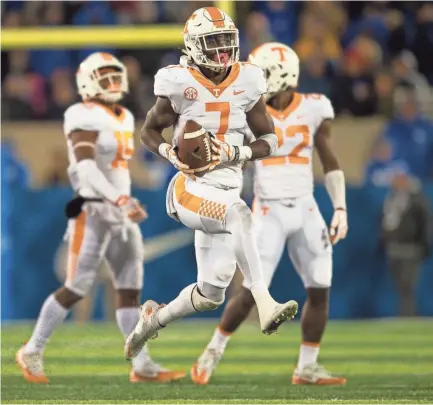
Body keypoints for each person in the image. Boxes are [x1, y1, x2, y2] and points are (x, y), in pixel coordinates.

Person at [124, 7, 298, 361]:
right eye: (212, 42)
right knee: (239, 215)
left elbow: (271, 138)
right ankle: (264, 303)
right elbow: (148, 131)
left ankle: (152, 319)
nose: (221, 50)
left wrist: (238, 152)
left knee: (210, 294)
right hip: (189, 188)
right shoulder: (177, 81)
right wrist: (167, 152)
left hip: (226, 187)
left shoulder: (248, 79)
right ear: (193, 45)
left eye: (225, 41)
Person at [16, 52, 184, 384]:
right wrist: (120, 198)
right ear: (88, 81)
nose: (114, 82)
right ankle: (32, 349)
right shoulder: (83, 113)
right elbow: (85, 166)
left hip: (120, 212)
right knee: (76, 287)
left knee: (128, 291)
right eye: (105, 76)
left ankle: (142, 364)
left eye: (115, 75)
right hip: (93, 210)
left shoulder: (122, 116)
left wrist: (125, 199)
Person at [192, 43, 348, 385]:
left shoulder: (315, 108)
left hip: (306, 208)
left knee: (320, 289)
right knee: (249, 293)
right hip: (267, 211)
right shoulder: (246, 111)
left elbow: (330, 161)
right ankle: (212, 352)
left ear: (282, 75)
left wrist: (340, 207)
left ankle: (306, 366)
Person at [381, 172, 432, 316]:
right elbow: (386, 222)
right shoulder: (390, 199)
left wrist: (424, 245)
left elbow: (425, 223)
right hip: (394, 248)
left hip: (411, 249)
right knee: (400, 286)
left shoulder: (417, 200)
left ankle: (408, 315)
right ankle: (406, 314)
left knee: (408, 285)